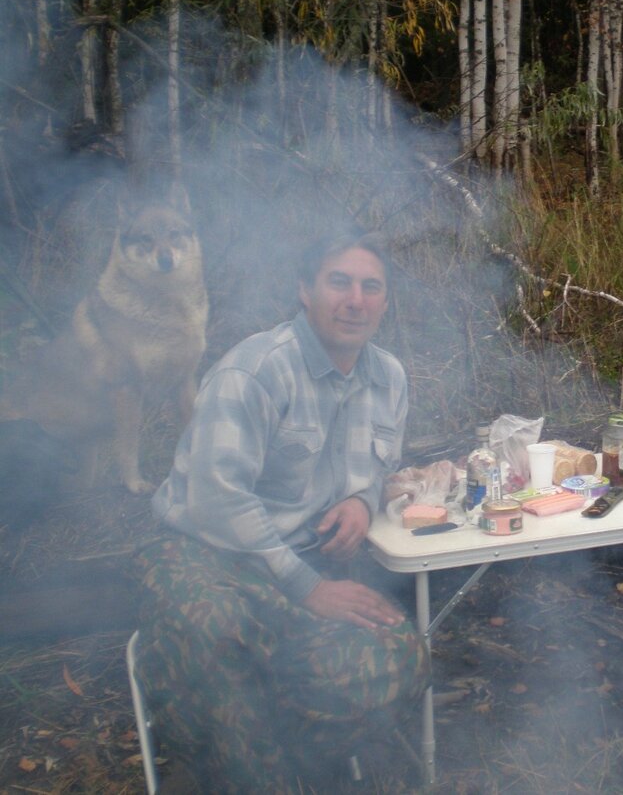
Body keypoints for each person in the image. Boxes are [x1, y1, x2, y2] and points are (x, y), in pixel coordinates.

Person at [136, 229, 429, 791]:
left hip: (300, 564)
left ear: (385, 301)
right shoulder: (254, 371)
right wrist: (306, 588)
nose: (355, 300)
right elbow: (217, 501)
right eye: (338, 282)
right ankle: (245, 774)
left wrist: (364, 502)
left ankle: (280, 753)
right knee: (220, 635)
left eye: (371, 287)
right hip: (201, 554)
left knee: (400, 655)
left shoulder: (388, 376)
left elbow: (376, 468)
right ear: (304, 289)